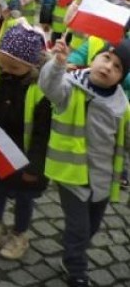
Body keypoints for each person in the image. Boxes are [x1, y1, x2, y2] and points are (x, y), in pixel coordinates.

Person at [40, 38, 130, 287]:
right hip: (72, 173)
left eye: (118, 67)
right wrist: (57, 64)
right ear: (94, 58)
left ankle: (73, 246)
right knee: (79, 227)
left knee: (91, 226)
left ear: (122, 77)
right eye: (106, 58)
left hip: (102, 177)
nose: (109, 66)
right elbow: (48, 87)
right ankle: (75, 267)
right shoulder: (70, 86)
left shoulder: (122, 106)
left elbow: (126, 140)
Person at [0, 24, 51, 261]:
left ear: (31, 65)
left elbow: (44, 135)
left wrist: (35, 168)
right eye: (4, 63)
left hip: (26, 153)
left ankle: (20, 233)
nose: (7, 69)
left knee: (24, 197)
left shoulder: (41, 89)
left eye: (15, 66)